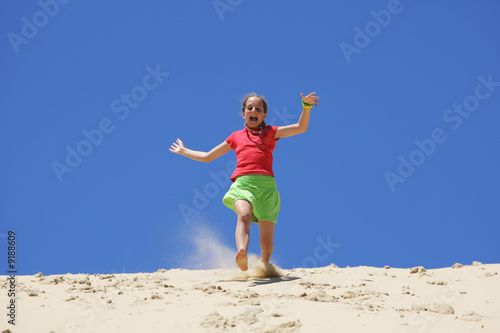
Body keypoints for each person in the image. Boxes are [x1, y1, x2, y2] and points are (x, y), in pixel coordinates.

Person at [170, 92, 319, 271]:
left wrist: (306, 106)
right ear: (243, 113)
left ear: (264, 115)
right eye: (249, 108)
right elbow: (208, 156)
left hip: (266, 188)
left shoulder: (271, 132)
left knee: (266, 243)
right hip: (243, 185)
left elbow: (300, 127)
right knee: (244, 215)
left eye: (258, 109)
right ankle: (242, 252)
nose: (253, 111)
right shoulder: (236, 136)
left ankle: (264, 265)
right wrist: (184, 150)